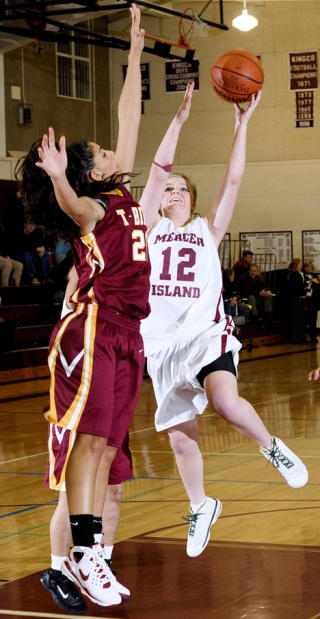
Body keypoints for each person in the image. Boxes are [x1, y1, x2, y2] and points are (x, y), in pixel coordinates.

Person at [18, 3, 193, 606]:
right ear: (90, 174)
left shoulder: (119, 194)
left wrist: (137, 56)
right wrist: (60, 174)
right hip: (91, 331)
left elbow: (128, 119)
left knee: (107, 447)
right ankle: (81, 555)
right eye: (100, 151)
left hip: (126, 334)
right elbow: (68, 203)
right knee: (88, 445)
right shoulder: (92, 208)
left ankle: (88, 555)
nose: (114, 150)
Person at [140, 91, 308, 562]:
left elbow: (234, 180)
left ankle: (271, 447)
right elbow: (155, 170)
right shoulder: (147, 230)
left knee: (225, 402)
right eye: (167, 188)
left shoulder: (206, 230)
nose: (171, 191)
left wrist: (242, 124)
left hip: (205, 334)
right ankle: (202, 505)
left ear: (191, 200)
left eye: (180, 189)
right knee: (180, 436)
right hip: (162, 346)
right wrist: (177, 119)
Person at [40, 268, 132, 613]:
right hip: (77, 414)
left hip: (107, 410)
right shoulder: (80, 307)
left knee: (114, 490)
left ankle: (100, 560)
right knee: (72, 497)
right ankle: (57, 569)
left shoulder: (119, 313)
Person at [287, 258, 307, 344]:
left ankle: (300, 337)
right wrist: (305, 288)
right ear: (296, 265)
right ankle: (297, 337)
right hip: (296, 298)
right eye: (300, 264)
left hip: (300, 298)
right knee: (297, 318)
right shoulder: (294, 275)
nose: (301, 266)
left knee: (300, 318)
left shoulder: (296, 274)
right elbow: (298, 287)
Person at [0, 222, 23, 286]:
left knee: (19, 265)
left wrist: (7, 256)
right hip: (1, 259)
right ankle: (5, 289)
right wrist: (3, 259)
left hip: (3, 258)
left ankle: (14, 287)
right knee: (8, 264)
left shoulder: (3, 232)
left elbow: (5, 248)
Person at [302, 260, 320, 343]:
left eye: (310, 267)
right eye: (306, 267)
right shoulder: (303, 275)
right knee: (305, 319)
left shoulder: (315, 275)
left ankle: (313, 337)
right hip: (305, 300)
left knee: (313, 319)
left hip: (313, 300)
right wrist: (311, 281)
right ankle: (304, 337)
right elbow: (303, 285)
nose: (308, 269)